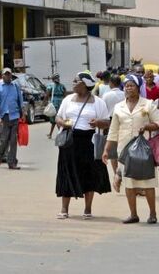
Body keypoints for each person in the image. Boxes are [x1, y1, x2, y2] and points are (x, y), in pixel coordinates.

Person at [103, 75, 159, 224]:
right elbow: (113, 130)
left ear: (138, 87)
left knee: (147, 182)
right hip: (124, 149)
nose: (129, 88)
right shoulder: (119, 106)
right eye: (127, 86)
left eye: (132, 85)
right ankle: (133, 214)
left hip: (144, 149)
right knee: (129, 183)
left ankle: (153, 213)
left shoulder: (148, 104)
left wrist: (147, 127)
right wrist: (106, 149)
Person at [54, 72, 111, 219]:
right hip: (69, 141)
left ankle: (87, 209)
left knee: (88, 174)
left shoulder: (98, 102)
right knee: (66, 173)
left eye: (76, 81)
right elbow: (58, 117)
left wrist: (98, 123)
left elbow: (107, 122)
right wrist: (62, 123)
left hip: (89, 142)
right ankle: (64, 209)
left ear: (85, 85)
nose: (73, 83)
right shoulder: (68, 100)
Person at [0, 68, 24, 170]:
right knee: (4, 138)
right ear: (2, 76)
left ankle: (12, 162)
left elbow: (20, 100)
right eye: (6, 74)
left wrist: (23, 113)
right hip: (4, 116)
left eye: (9, 75)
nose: (8, 76)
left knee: (13, 140)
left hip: (15, 115)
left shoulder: (15, 86)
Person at [101, 74, 125, 190]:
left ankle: (116, 173)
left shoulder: (106, 95)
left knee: (112, 152)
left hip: (110, 122)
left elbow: (103, 110)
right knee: (123, 147)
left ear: (111, 83)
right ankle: (122, 173)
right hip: (124, 121)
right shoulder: (124, 94)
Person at [46, 74, 67, 139]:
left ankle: (61, 134)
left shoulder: (50, 86)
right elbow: (65, 95)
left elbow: (47, 95)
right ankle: (51, 134)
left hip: (54, 103)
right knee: (60, 118)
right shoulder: (62, 86)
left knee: (54, 120)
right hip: (61, 103)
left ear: (52, 79)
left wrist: (44, 102)